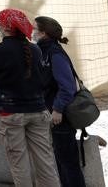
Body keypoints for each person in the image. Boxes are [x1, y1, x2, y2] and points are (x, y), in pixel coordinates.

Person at [0, 8, 58, 187]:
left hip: (10, 113)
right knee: (46, 162)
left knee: (20, 165)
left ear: (3, 26)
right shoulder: (35, 50)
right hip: (38, 110)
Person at [34, 16, 85, 187]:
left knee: (68, 163)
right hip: (53, 114)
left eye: (35, 29)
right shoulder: (45, 51)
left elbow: (67, 86)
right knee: (61, 161)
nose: (32, 32)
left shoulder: (54, 53)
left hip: (60, 117)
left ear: (43, 33)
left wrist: (57, 109)